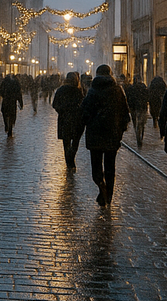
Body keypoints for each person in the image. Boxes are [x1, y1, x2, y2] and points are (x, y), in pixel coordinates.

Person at [80, 65, 130, 206]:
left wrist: (89, 122)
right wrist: (120, 129)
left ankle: (101, 186)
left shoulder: (92, 91)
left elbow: (84, 112)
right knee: (110, 167)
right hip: (112, 134)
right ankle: (109, 195)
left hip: (95, 135)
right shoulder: (117, 91)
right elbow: (125, 113)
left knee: (96, 167)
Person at [51, 71, 85, 171]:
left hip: (64, 119)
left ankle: (69, 163)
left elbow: (55, 104)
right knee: (75, 141)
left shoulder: (61, 90)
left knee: (66, 143)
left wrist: (62, 111)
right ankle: (71, 159)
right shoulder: (78, 91)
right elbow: (83, 105)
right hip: (76, 120)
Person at [125, 75, 149, 148]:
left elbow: (128, 97)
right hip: (141, 107)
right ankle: (140, 135)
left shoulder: (131, 88)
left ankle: (137, 134)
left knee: (136, 122)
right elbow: (147, 96)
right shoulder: (143, 87)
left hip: (134, 107)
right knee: (141, 123)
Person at [0, 72, 23, 136]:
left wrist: (4, 96)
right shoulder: (16, 82)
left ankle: (6, 125)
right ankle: (10, 128)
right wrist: (20, 102)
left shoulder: (4, 81)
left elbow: (0, 91)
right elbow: (19, 93)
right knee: (12, 115)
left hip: (6, 101)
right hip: (12, 102)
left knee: (4, 113)